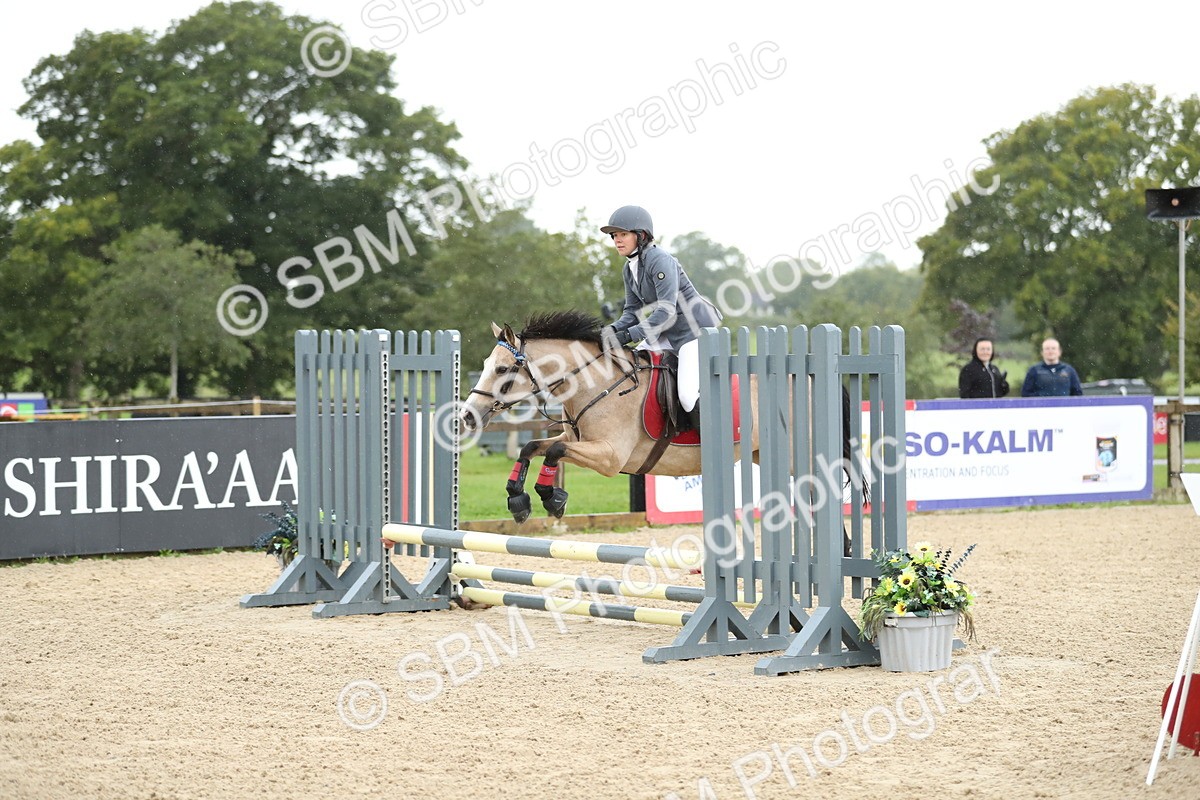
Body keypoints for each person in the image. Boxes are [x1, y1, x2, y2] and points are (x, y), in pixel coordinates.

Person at [599, 205, 721, 430]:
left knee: (686, 396)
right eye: (614, 235)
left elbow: (666, 310)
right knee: (632, 367)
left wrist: (630, 335)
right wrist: (610, 331)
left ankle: (715, 444)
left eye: (623, 234)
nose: (617, 240)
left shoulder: (659, 259)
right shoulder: (629, 269)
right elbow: (631, 312)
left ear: (641, 235)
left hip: (693, 332)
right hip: (667, 332)